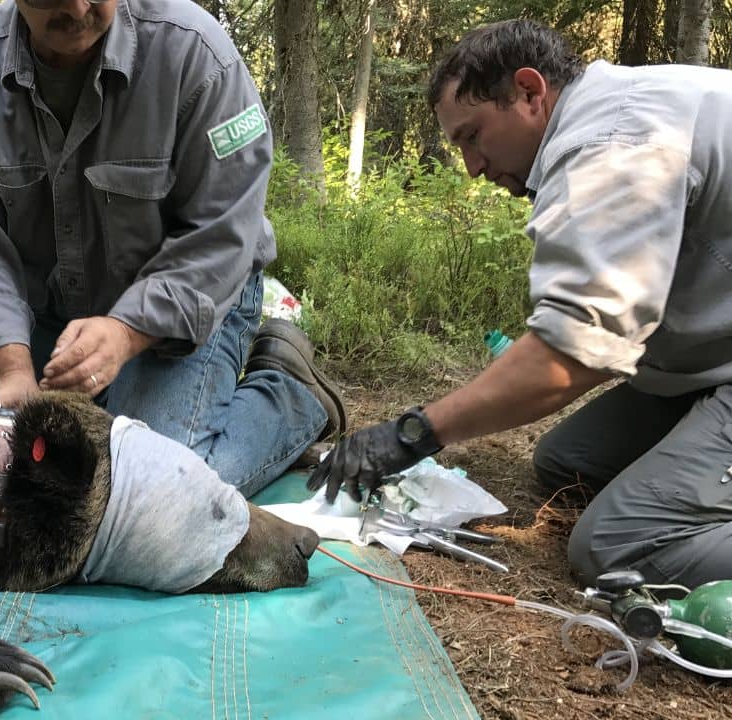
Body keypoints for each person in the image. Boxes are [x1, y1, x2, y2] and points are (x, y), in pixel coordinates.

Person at [308, 18, 732, 589]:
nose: (473, 168)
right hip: (707, 363)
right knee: (567, 463)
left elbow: (570, 357)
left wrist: (414, 433)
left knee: (618, 543)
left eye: (473, 136)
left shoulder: (612, 146)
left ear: (530, 93)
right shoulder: (614, 112)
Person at [0, 0, 347, 496]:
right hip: (44, 313)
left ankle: (290, 397)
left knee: (146, 491)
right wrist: (13, 370)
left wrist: (126, 333)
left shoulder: (197, 54)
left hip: (195, 301)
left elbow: (222, 233)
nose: (78, 9)